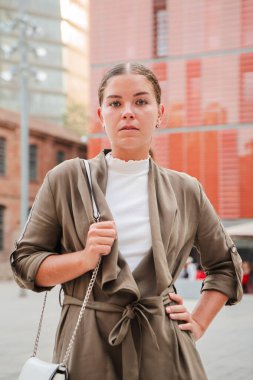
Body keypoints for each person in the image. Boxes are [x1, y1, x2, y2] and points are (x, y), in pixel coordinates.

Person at [10, 62, 243, 380]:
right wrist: (85, 258)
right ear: (100, 115)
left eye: (141, 101)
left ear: (160, 114)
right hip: (86, 347)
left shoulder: (185, 189)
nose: (128, 112)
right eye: (116, 103)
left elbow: (225, 266)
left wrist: (199, 321)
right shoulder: (67, 179)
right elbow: (25, 264)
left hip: (165, 348)